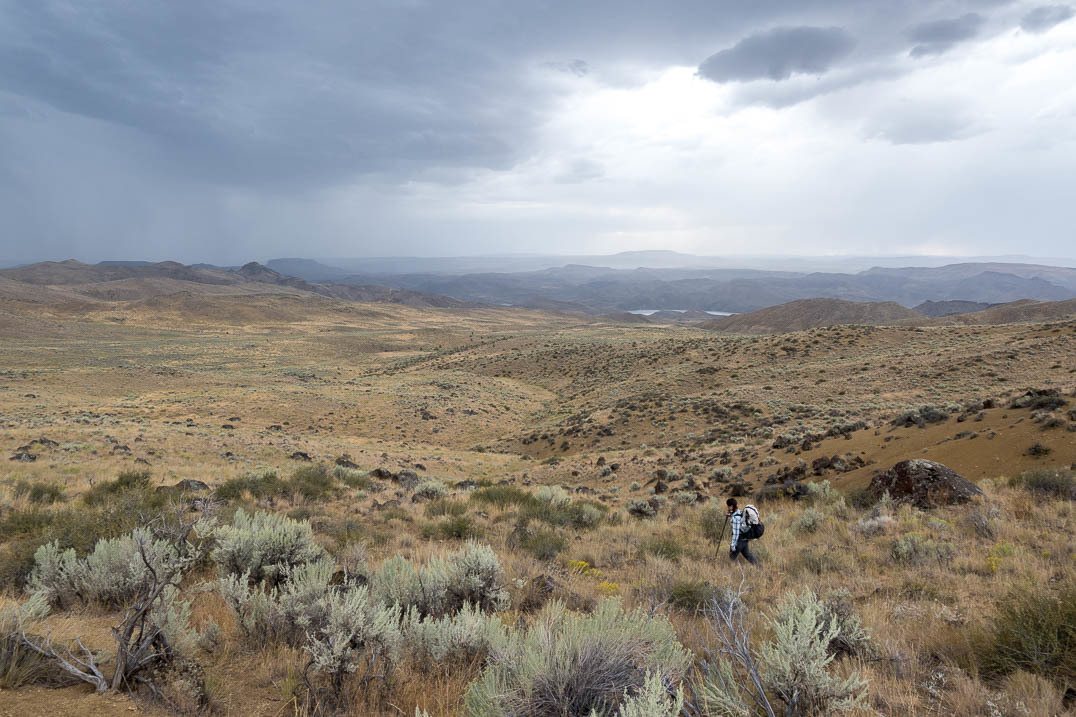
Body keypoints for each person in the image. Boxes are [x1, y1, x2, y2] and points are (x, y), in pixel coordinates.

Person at [727, 498, 760, 566]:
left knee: (731, 557)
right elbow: (738, 516)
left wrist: (733, 545)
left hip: (739, 540)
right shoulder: (741, 512)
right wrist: (730, 515)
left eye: (728, 506)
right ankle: (759, 567)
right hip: (745, 539)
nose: (728, 508)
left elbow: (736, 533)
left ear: (732, 506)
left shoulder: (735, 518)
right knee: (748, 555)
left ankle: (733, 570)